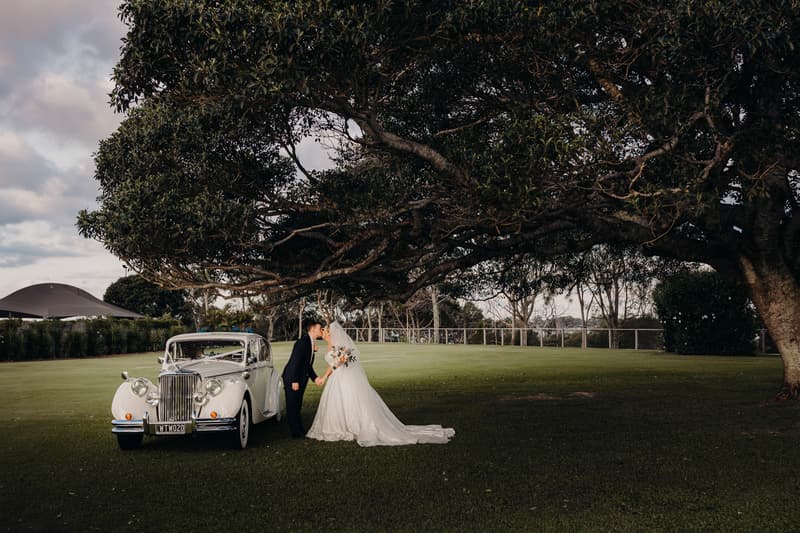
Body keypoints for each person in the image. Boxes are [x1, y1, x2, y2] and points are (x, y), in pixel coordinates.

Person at [306, 321, 455, 446]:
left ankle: (355, 426)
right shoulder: (328, 346)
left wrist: (324, 376)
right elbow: (334, 362)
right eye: (322, 329)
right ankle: (342, 426)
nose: (323, 331)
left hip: (343, 378)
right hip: (336, 379)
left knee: (351, 401)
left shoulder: (339, 346)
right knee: (339, 404)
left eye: (324, 329)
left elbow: (339, 362)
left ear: (329, 333)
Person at [282, 318, 324, 438]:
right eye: (319, 328)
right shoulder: (302, 342)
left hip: (301, 378)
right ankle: (296, 432)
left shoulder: (310, 343)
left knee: (297, 404)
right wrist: (294, 380)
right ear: (312, 329)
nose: (321, 331)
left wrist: (315, 378)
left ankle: (299, 429)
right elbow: (295, 362)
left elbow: (307, 365)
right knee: (292, 405)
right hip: (292, 378)